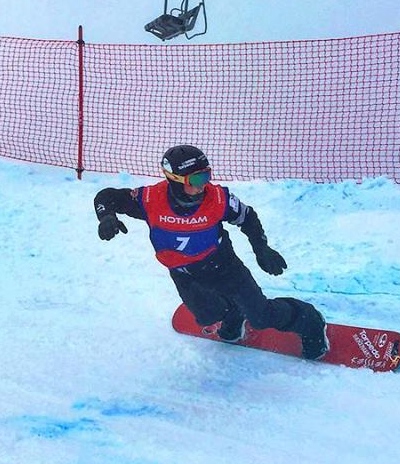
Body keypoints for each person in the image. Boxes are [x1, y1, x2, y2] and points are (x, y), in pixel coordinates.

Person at [93, 145, 329, 360]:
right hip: (184, 274)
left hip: (224, 266)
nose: (202, 185)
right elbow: (106, 197)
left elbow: (247, 217)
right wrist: (106, 216)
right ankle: (234, 315)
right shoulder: (149, 200)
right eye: (196, 179)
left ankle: (310, 321)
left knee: (261, 317)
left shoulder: (218, 199)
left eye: (206, 176)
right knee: (207, 316)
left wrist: (261, 248)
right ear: (174, 180)